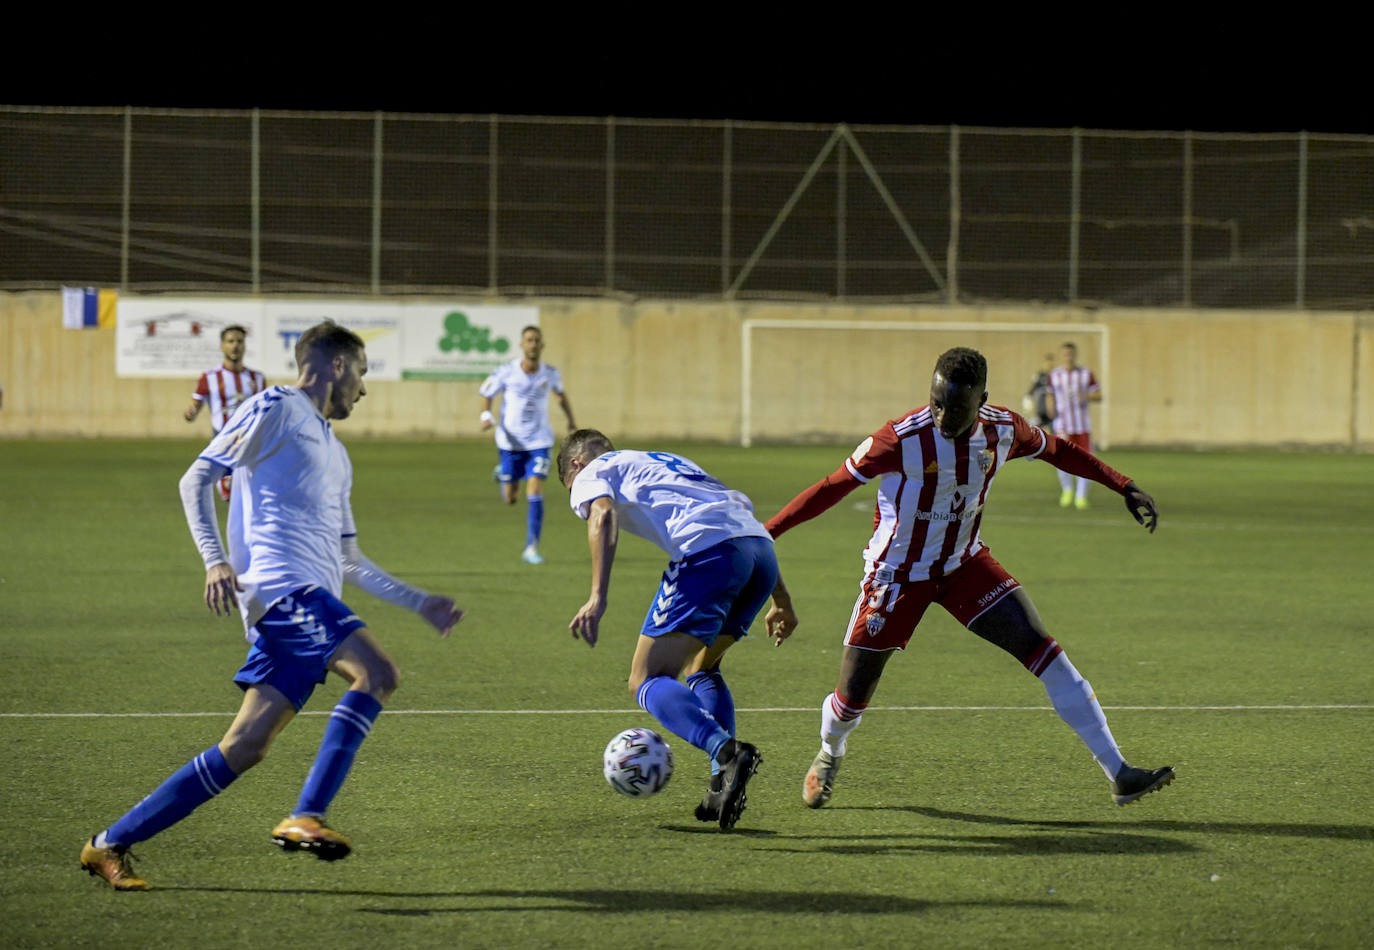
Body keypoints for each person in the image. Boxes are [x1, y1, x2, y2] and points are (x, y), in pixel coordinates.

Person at [80, 320, 464, 891]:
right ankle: (307, 813)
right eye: (361, 373)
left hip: (308, 606)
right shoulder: (276, 407)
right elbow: (198, 478)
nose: (363, 389)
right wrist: (214, 559)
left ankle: (108, 844)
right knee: (377, 673)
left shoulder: (336, 454)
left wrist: (418, 603)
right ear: (336, 366)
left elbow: (349, 558)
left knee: (245, 747)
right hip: (284, 594)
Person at [764, 346, 1173, 812]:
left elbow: (1058, 450)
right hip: (896, 577)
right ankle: (830, 750)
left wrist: (1122, 483)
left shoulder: (1004, 429)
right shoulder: (899, 440)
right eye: (936, 402)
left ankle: (1119, 773)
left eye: (955, 407)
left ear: (982, 401)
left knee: (1047, 653)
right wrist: (767, 532)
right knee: (852, 699)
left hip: (963, 566)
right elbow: (831, 487)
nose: (942, 415)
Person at [557, 429, 798, 831]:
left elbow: (602, 513)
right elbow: (741, 515)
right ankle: (722, 780)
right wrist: (783, 601)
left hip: (709, 556)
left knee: (645, 679)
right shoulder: (667, 461)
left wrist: (597, 596)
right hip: (759, 553)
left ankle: (726, 751)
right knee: (702, 668)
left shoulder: (592, 470)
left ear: (577, 464)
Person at [479, 325, 576, 564]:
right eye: (529, 340)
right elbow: (487, 392)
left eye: (536, 340)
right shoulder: (507, 372)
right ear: (522, 345)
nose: (533, 344)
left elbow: (561, 396)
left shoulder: (550, 373)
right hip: (510, 441)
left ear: (542, 346)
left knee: (534, 491)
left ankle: (531, 547)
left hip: (539, 441)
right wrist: (486, 416)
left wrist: (571, 422)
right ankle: (504, 473)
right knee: (510, 499)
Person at [184, 325, 267, 500]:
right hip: (222, 446)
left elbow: (265, 412)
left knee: (252, 499)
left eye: (239, 341)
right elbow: (195, 406)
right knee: (232, 497)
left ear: (244, 345)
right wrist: (191, 412)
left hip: (250, 446)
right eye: (230, 341)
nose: (235, 346)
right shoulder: (210, 377)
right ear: (222, 346)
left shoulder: (257, 379)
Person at [1045, 341, 1102, 509]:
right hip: (1062, 425)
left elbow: (1098, 395)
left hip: (1082, 426)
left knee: (1087, 460)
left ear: (1075, 355)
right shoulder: (1054, 375)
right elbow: (1050, 394)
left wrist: (1085, 396)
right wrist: (1050, 408)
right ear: (1062, 356)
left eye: (1071, 354)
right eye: (1065, 354)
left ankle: (1081, 496)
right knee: (1061, 459)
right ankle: (1067, 490)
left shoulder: (1086, 374)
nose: (1068, 357)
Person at [1021, 352, 1055, 430]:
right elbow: (1030, 391)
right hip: (1040, 411)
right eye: (1047, 363)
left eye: (1051, 364)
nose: (1049, 366)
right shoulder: (1039, 376)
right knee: (1035, 431)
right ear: (1044, 364)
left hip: (1052, 412)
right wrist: (1027, 402)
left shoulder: (1055, 376)